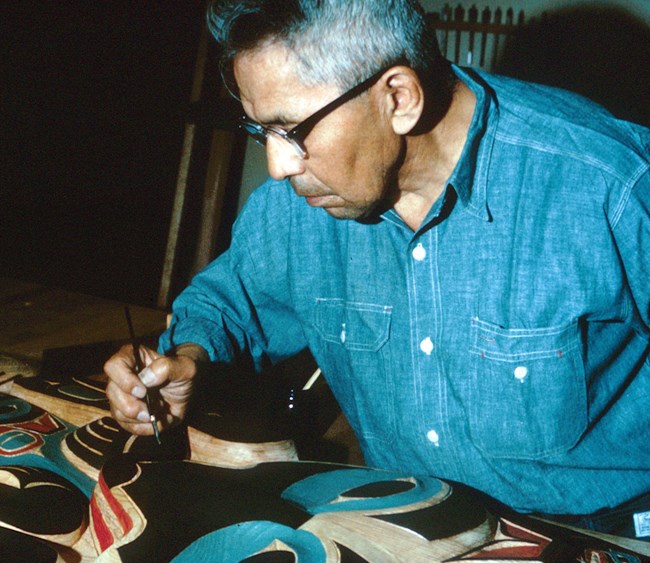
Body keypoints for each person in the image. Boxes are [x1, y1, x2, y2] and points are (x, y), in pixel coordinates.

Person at [105, 0, 650, 541]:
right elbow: (231, 302)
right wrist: (188, 358)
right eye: (260, 130)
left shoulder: (609, 183)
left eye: (291, 129)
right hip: (407, 522)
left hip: (598, 536)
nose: (277, 165)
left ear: (399, 98)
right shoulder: (300, 201)